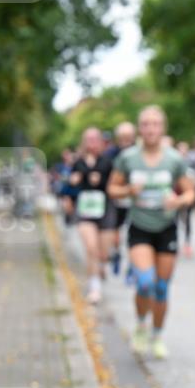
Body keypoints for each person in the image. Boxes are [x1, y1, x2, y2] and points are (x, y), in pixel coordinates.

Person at [107, 106, 195, 359]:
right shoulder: (128, 158)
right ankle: (140, 326)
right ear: (139, 129)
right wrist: (128, 191)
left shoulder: (174, 159)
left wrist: (178, 201)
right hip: (140, 228)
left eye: (155, 124)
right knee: (145, 283)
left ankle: (157, 336)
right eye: (145, 124)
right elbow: (112, 189)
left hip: (166, 228)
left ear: (163, 128)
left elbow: (191, 192)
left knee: (162, 288)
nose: (150, 129)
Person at [70, 128, 117, 304]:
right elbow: (70, 185)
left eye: (95, 139)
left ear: (100, 141)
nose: (92, 142)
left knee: (103, 254)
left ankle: (101, 267)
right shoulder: (78, 162)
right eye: (88, 139)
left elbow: (115, 184)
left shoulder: (108, 161)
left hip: (105, 208)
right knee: (91, 249)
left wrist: (103, 181)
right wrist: (73, 181)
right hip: (85, 210)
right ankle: (94, 288)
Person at [102, 121, 137, 276]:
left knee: (133, 232)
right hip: (116, 198)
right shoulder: (111, 154)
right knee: (116, 230)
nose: (126, 140)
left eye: (129, 136)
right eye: (123, 136)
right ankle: (116, 253)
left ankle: (132, 264)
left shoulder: (139, 152)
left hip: (135, 199)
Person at [176, 140, 195, 258]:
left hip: (187, 195)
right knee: (174, 220)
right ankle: (175, 242)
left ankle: (187, 243)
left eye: (184, 149)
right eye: (180, 149)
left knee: (187, 219)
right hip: (176, 195)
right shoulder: (173, 162)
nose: (182, 151)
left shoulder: (191, 163)